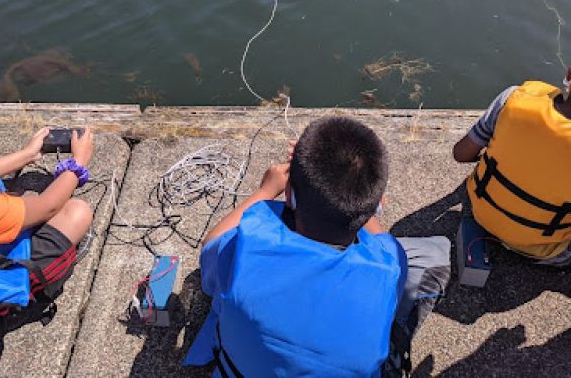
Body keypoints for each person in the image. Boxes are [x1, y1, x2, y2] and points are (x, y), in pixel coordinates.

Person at [184, 116, 450, 377]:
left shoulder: (244, 248)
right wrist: (353, 196)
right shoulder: (389, 266)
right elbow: (381, 239)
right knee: (436, 252)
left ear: (288, 194)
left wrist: (265, 190)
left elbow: (210, 248)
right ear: (379, 203)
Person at [0, 96, 94, 356]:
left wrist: (26, 155)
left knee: (20, 202)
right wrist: (78, 164)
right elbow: (48, 206)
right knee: (77, 213)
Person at [453, 74, 571, 266]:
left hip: (481, 211)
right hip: (538, 246)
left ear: (569, 75)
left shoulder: (515, 97)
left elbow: (461, 153)